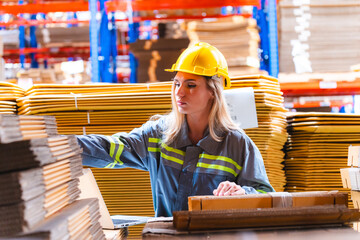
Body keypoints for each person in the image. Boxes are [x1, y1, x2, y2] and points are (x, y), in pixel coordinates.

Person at [77, 42, 274, 217]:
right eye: (177, 83)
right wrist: (62, 145)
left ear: (213, 92)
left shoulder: (237, 145)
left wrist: (243, 194)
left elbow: (267, 196)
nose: (179, 92)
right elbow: (110, 148)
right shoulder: (158, 135)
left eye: (191, 85)